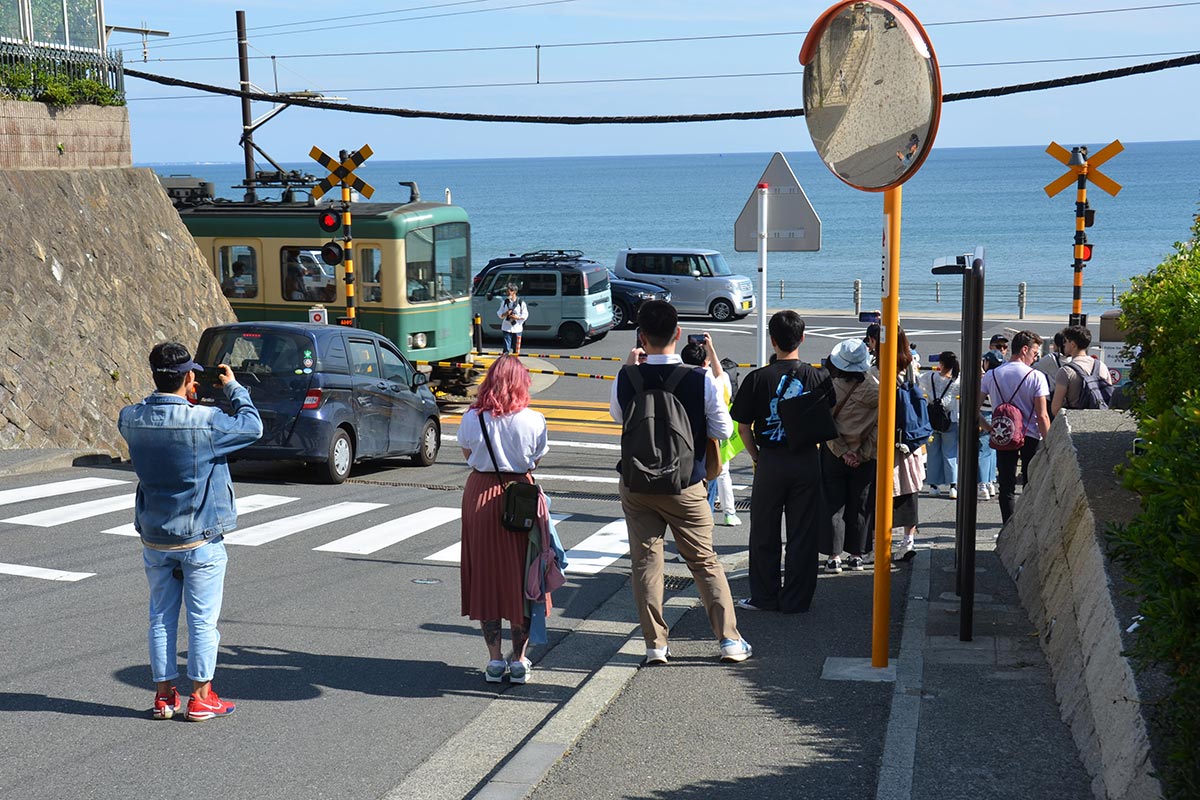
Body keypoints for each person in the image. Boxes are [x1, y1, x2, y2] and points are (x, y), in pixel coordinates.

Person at [117, 342, 262, 721]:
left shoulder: (130, 418)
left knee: (160, 617)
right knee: (201, 620)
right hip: (200, 536)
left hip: (155, 535)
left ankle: (164, 697)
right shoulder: (206, 421)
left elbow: (151, 414)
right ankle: (201, 697)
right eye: (192, 374)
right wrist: (234, 388)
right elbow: (252, 426)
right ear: (187, 377)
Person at [609, 300, 751, 665]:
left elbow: (618, 417)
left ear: (641, 336)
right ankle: (729, 641)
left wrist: (630, 367)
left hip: (637, 485)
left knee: (644, 563)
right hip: (686, 485)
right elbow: (721, 429)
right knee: (704, 561)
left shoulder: (626, 376)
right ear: (676, 334)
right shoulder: (698, 378)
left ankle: (655, 645)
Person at [730, 310, 833, 611]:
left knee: (764, 530)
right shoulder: (818, 376)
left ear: (772, 340)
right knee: (803, 533)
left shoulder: (757, 378)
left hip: (771, 462)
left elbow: (743, 427)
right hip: (806, 460)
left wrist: (757, 457)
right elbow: (829, 416)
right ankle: (797, 599)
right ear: (803, 337)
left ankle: (765, 596)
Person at [456, 356, 550, 684]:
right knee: (523, 578)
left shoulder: (472, 417)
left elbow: (468, 455)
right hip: (521, 497)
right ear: (522, 383)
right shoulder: (534, 419)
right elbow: (535, 460)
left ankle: (495, 661)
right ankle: (520, 660)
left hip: (480, 495)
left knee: (486, 578)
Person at [979, 330, 1052, 523]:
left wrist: (989, 428)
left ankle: (1008, 527)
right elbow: (1042, 415)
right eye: (1035, 353)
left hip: (1004, 434)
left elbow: (972, 409)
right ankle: (1028, 525)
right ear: (1025, 349)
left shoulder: (992, 375)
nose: (1036, 357)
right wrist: (1050, 442)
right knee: (1030, 484)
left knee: (1006, 485)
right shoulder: (1036, 377)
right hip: (1031, 435)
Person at [820, 338, 879, 573]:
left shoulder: (831, 388)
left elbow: (824, 424)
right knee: (861, 504)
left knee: (833, 504)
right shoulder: (876, 389)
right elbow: (880, 426)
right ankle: (857, 554)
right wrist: (860, 453)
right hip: (865, 455)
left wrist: (844, 451)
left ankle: (834, 556)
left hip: (835, 454)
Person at [680, 334, 740, 527]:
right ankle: (728, 513)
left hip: (684, 442)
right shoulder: (716, 382)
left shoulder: (678, 382)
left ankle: (697, 526)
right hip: (714, 441)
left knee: (692, 487)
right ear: (705, 361)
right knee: (721, 474)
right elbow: (720, 373)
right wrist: (711, 348)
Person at [892, 328, 926, 562]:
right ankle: (908, 541)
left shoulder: (880, 368)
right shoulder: (911, 366)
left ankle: (877, 543)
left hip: (890, 439)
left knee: (885, 491)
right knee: (909, 490)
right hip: (911, 439)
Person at [920, 351, 961, 499]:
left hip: (932, 419)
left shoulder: (930, 377)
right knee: (950, 453)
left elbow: (918, 383)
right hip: (949, 419)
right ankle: (953, 486)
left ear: (941, 364)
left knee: (933, 453)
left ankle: (933, 486)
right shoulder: (957, 381)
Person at [1051, 324, 1113, 415]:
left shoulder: (1065, 371)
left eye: (1066, 341)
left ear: (1073, 345)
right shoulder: (1101, 366)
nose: (1064, 344)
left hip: (1074, 420)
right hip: (1098, 419)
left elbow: (1055, 408)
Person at [977, 350, 1004, 501]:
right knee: (993, 451)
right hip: (999, 414)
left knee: (983, 451)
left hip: (985, 414)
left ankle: (982, 484)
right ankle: (990, 482)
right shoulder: (1001, 376)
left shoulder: (985, 378)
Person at [1033, 331, 1066, 398]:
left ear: (1057, 345)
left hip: (1054, 396)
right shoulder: (1073, 358)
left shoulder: (1051, 358)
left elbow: (1034, 368)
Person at [497, 284, 528, 355]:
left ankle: (515, 363)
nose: (507, 293)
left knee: (516, 350)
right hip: (506, 327)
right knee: (506, 350)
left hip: (517, 328)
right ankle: (506, 363)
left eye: (508, 292)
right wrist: (506, 313)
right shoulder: (504, 302)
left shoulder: (521, 303)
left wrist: (517, 317)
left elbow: (525, 314)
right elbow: (500, 314)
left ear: (514, 292)